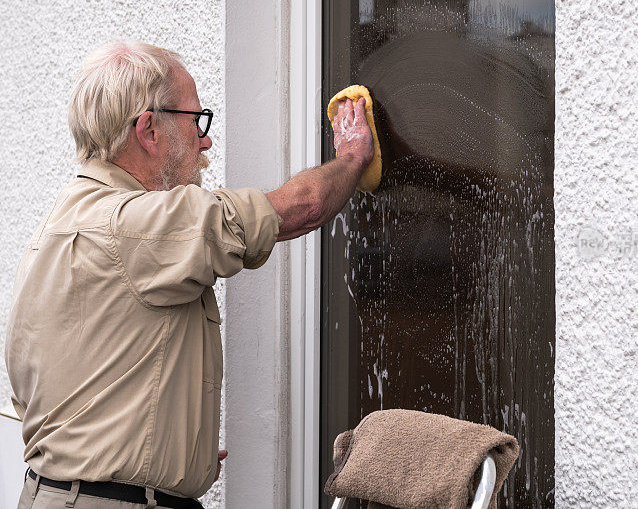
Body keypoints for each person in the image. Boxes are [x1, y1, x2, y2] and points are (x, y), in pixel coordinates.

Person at [3, 41, 373, 509]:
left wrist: (165, 452)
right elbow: (302, 208)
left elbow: (51, 390)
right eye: (196, 121)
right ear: (149, 129)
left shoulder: (56, 227)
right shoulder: (135, 225)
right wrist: (351, 159)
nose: (206, 141)